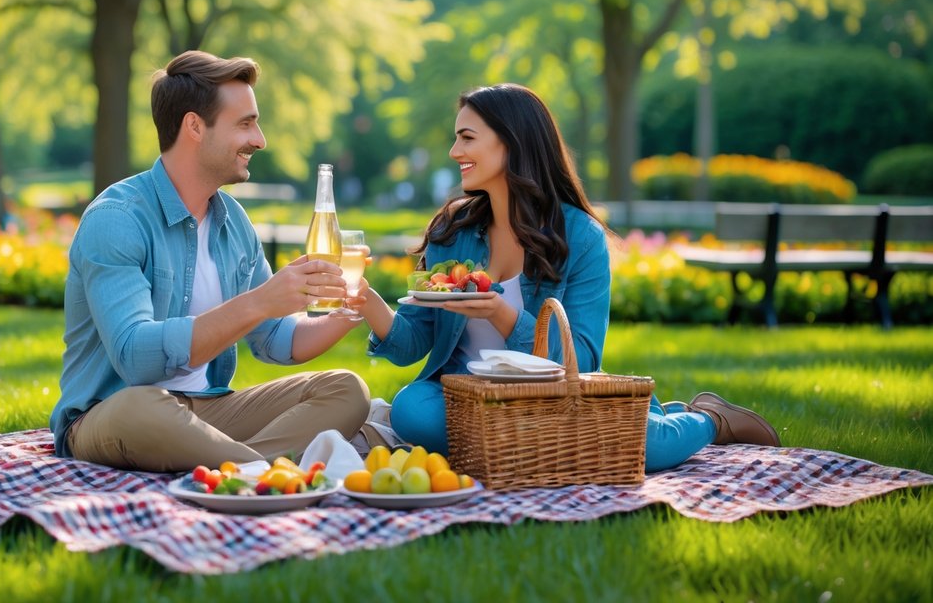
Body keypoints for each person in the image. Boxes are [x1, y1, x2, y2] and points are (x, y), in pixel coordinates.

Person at [353, 83, 780, 470]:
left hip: (550, 400)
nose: (453, 151)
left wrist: (503, 315)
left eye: (467, 138)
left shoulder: (580, 237)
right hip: (467, 398)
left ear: (513, 142)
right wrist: (365, 298)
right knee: (412, 410)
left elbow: (585, 356)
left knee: (649, 452)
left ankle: (711, 419)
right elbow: (414, 342)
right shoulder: (454, 232)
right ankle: (577, 434)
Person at [50, 50, 370, 472]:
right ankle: (267, 471)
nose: (260, 140)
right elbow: (135, 357)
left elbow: (277, 340)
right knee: (142, 407)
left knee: (347, 390)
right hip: (114, 412)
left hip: (208, 409)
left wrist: (348, 308)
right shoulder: (118, 219)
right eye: (246, 123)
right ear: (195, 127)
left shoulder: (233, 223)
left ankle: (245, 470)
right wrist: (259, 301)